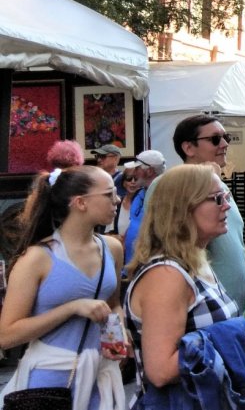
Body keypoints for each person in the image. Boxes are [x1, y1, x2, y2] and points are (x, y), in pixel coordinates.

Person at [125, 164, 245, 408]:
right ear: (183, 209)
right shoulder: (166, 275)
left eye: (226, 197)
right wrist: (241, 331)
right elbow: (160, 370)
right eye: (217, 199)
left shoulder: (194, 261)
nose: (227, 206)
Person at [0, 166, 127, 410]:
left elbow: (113, 305)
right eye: (109, 193)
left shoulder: (112, 248)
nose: (117, 199)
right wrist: (71, 308)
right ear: (80, 203)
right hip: (50, 379)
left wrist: (118, 335)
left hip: (101, 378)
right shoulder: (37, 258)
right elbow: (6, 335)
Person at [127, 117, 245, 315]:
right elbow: (169, 239)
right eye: (215, 139)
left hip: (229, 312)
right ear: (189, 148)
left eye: (226, 137)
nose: (225, 144)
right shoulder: (168, 185)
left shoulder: (219, 187)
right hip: (201, 313)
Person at [120, 150, 167, 267]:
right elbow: (133, 223)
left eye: (137, 169)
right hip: (131, 265)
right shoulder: (140, 193)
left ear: (149, 171)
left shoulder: (164, 197)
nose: (134, 173)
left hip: (148, 265)